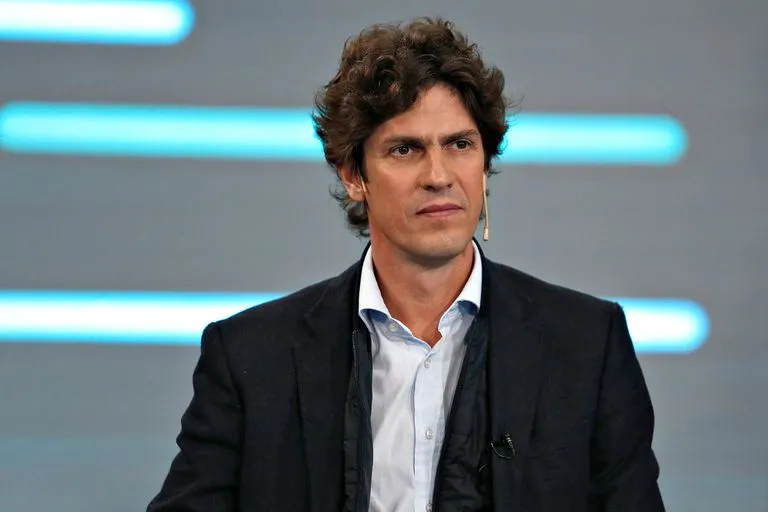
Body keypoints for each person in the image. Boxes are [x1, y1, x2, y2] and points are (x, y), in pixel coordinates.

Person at [147, 17, 665, 512]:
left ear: (485, 165)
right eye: (405, 150)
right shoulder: (252, 357)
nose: (439, 175)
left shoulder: (587, 345)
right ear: (353, 175)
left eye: (460, 144)